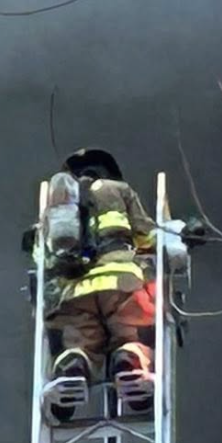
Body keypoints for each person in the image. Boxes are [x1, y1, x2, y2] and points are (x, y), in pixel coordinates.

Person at [37, 147, 160, 391]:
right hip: (120, 283)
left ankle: (73, 366)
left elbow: (41, 255)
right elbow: (148, 237)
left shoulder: (57, 207)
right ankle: (129, 364)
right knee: (130, 335)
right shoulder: (118, 191)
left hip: (72, 291)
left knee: (78, 343)